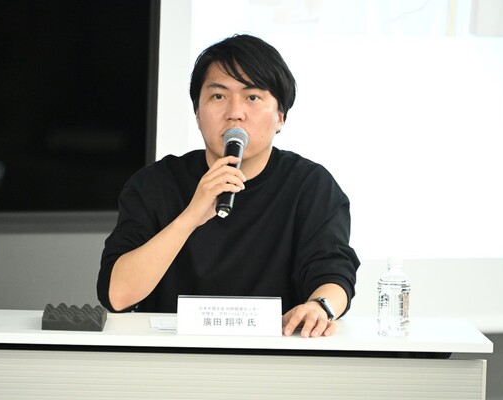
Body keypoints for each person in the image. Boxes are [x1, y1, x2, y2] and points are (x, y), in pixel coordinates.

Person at [97, 34, 359, 338]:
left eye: (253, 97)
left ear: (280, 117)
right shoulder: (154, 184)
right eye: (218, 96)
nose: (235, 112)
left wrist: (319, 307)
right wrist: (191, 216)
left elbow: (333, 273)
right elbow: (117, 295)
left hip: (277, 354)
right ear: (197, 114)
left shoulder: (311, 185)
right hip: (172, 355)